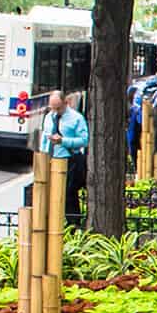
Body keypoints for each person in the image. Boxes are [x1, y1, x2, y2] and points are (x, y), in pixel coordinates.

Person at [40, 90, 91, 220]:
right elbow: (45, 137)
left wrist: (64, 141)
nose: (55, 111)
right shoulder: (49, 117)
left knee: (68, 195)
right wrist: (42, 155)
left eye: (58, 108)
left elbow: (84, 140)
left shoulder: (77, 118)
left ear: (66, 103)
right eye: (52, 108)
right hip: (51, 159)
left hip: (68, 160)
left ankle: (72, 223)